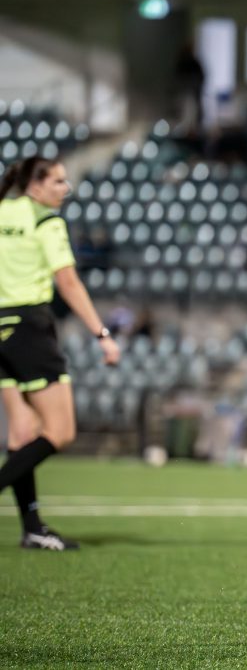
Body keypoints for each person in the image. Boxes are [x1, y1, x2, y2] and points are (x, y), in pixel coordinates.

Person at [0, 156, 120, 550]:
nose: (65, 189)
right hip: (28, 329)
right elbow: (67, 282)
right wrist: (101, 333)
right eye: (57, 182)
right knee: (60, 431)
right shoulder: (45, 220)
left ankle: (32, 527)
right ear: (35, 187)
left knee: (22, 433)